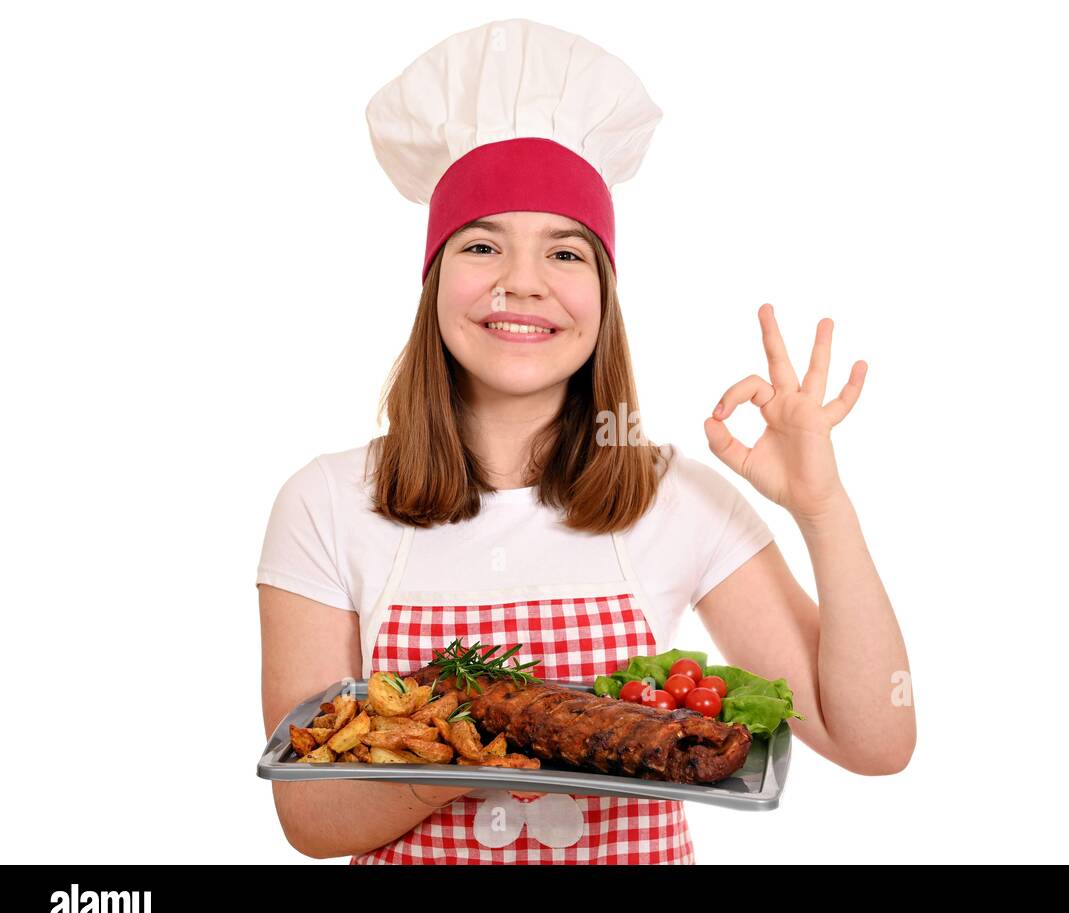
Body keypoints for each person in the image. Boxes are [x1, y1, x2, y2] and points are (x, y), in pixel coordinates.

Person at [258, 18, 914, 865]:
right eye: (484, 243)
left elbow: (877, 743)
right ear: (434, 283)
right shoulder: (323, 503)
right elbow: (310, 822)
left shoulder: (675, 498)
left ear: (602, 298)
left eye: (565, 252)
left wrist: (825, 510)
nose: (522, 281)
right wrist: (482, 742)